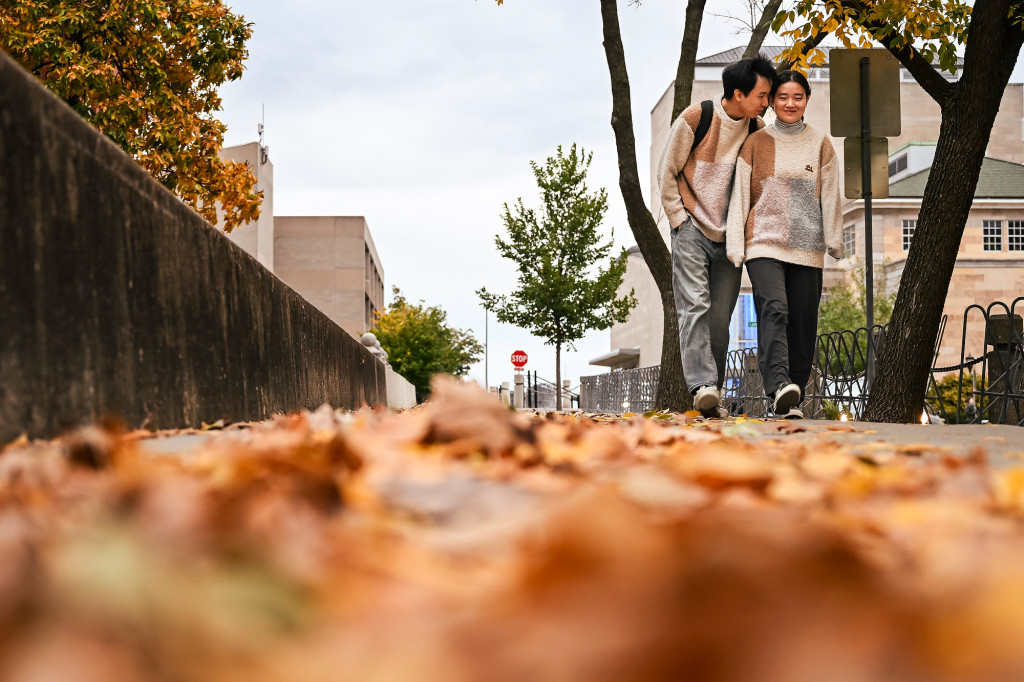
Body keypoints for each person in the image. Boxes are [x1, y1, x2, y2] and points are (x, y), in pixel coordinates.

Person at [657, 55, 776, 418]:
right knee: (694, 307)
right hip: (692, 229)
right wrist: (679, 221)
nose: (767, 102)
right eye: (762, 94)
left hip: (730, 238)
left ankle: (712, 396)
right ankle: (702, 385)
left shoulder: (757, 129)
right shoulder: (697, 118)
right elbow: (667, 172)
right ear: (738, 94)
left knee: (719, 320)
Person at [725, 70, 843, 419]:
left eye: (797, 97)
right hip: (763, 243)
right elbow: (740, 196)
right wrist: (736, 243)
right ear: (772, 101)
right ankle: (777, 386)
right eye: (782, 97)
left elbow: (831, 194)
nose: (790, 104)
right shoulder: (756, 142)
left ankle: (789, 398)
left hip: (807, 246)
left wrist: (833, 239)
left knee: (803, 324)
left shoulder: (821, 142)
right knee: (775, 308)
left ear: (807, 100)